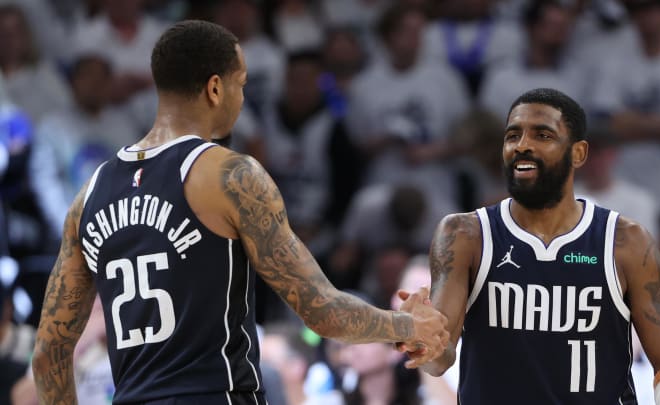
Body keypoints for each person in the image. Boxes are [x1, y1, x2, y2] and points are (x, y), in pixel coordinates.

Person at [30, 20, 449, 405]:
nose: (242, 99)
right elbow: (320, 308)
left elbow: (50, 351)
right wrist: (407, 326)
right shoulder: (230, 174)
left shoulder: (91, 193)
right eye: (241, 85)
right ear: (215, 88)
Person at [401, 87, 660, 404]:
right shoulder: (464, 234)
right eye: (513, 135)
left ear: (579, 153)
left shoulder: (626, 241)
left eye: (542, 135)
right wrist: (421, 339)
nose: (522, 146)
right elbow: (440, 358)